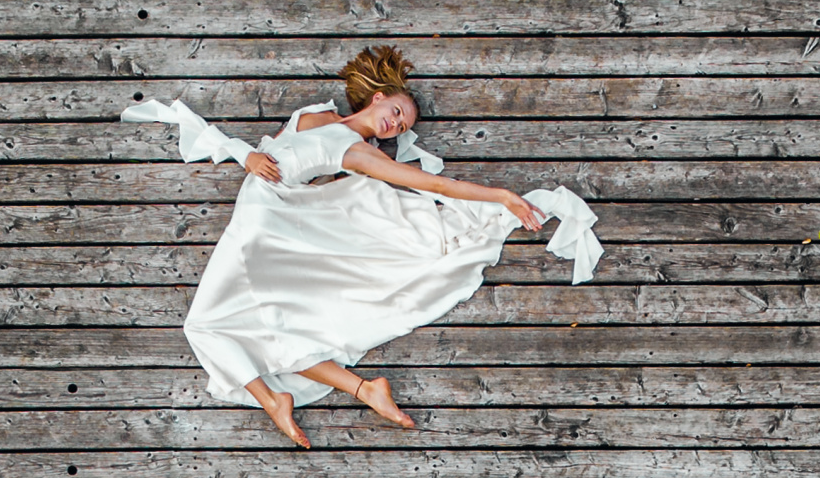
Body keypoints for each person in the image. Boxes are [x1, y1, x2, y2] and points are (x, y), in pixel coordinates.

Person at [123, 45, 601, 450]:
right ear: (378, 97)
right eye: (396, 112)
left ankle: (300, 396)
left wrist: (500, 196)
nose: (396, 125)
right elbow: (273, 155)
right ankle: (346, 390)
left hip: (265, 222)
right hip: (265, 212)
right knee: (234, 325)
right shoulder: (316, 116)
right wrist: (247, 155)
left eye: (402, 126)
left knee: (215, 324)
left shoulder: (358, 152)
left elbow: (435, 183)